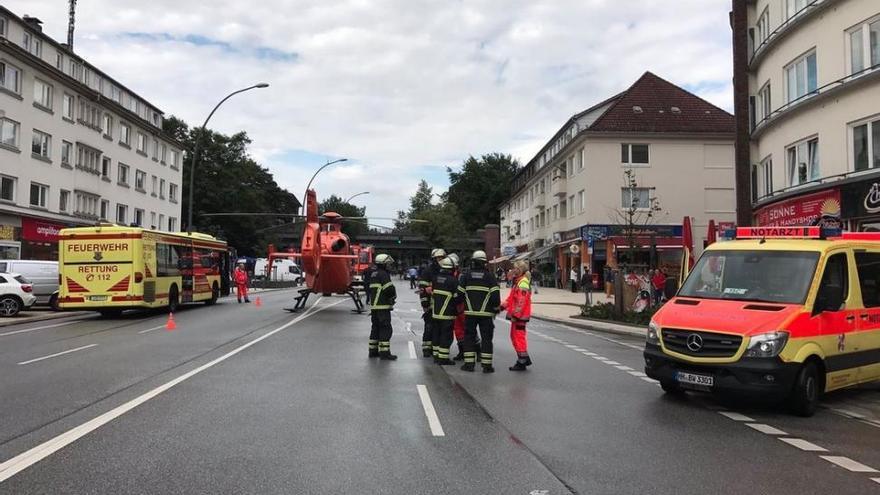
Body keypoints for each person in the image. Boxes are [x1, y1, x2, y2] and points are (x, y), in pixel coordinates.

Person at [458, 250, 501, 373]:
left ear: (473, 262)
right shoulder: (490, 277)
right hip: (486, 315)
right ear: (484, 263)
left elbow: (459, 294)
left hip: (470, 314)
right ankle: (487, 366)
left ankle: (469, 365)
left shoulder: (466, 276)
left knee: (469, 338)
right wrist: (495, 308)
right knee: (487, 339)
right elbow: (495, 297)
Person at [500, 260, 533, 371]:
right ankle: (524, 358)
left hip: (520, 317)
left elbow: (521, 301)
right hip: (519, 315)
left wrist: (516, 315)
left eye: (515, 268)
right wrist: (501, 307)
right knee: (516, 336)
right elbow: (511, 299)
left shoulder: (522, 282)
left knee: (518, 337)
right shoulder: (519, 281)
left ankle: (522, 361)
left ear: (519, 270)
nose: (513, 270)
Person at [431, 256, 462, 365]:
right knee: (446, 336)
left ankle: (436, 355)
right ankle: (443, 358)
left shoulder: (435, 278)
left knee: (436, 334)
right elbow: (457, 297)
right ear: (452, 268)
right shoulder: (453, 281)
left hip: (436, 313)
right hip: (447, 314)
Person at [365, 254, 397, 360]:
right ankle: (385, 353)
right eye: (388, 264)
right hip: (382, 307)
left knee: (375, 328)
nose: (389, 266)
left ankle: (373, 351)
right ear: (383, 264)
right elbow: (389, 289)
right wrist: (393, 296)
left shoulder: (374, 274)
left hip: (375, 307)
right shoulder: (383, 274)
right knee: (385, 329)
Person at [419, 249, 446, 357]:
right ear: (434, 259)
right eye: (439, 258)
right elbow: (422, 289)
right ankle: (426, 348)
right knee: (429, 327)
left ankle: (436, 348)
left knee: (439, 329)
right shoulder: (428, 271)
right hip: (430, 305)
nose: (441, 260)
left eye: (442, 258)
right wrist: (425, 304)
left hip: (442, 305)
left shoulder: (445, 270)